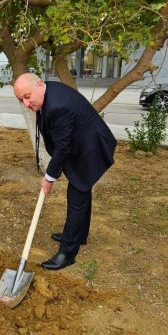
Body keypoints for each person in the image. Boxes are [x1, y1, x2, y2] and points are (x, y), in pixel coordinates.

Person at [13, 73, 117, 271]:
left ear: (39, 86)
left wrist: (49, 177)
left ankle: (67, 253)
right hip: (83, 143)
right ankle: (79, 235)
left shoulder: (58, 106)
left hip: (92, 149)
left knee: (77, 195)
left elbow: (63, 148)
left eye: (27, 97)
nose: (26, 104)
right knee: (82, 191)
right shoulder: (47, 91)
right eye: (21, 100)